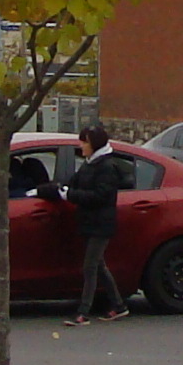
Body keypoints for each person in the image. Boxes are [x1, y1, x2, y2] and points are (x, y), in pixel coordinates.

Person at [61, 122, 136, 325]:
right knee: (99, 265)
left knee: (90, 266)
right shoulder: (90, 163)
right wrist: (60, 189)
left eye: (84, 142)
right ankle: (119, 306)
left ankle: (83, 312)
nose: (81, 146)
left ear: (94, 144)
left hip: (101, 224)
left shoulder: (106, 167)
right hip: (89, 221)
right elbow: (76, 182)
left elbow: (101, 196)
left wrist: (71, 195)